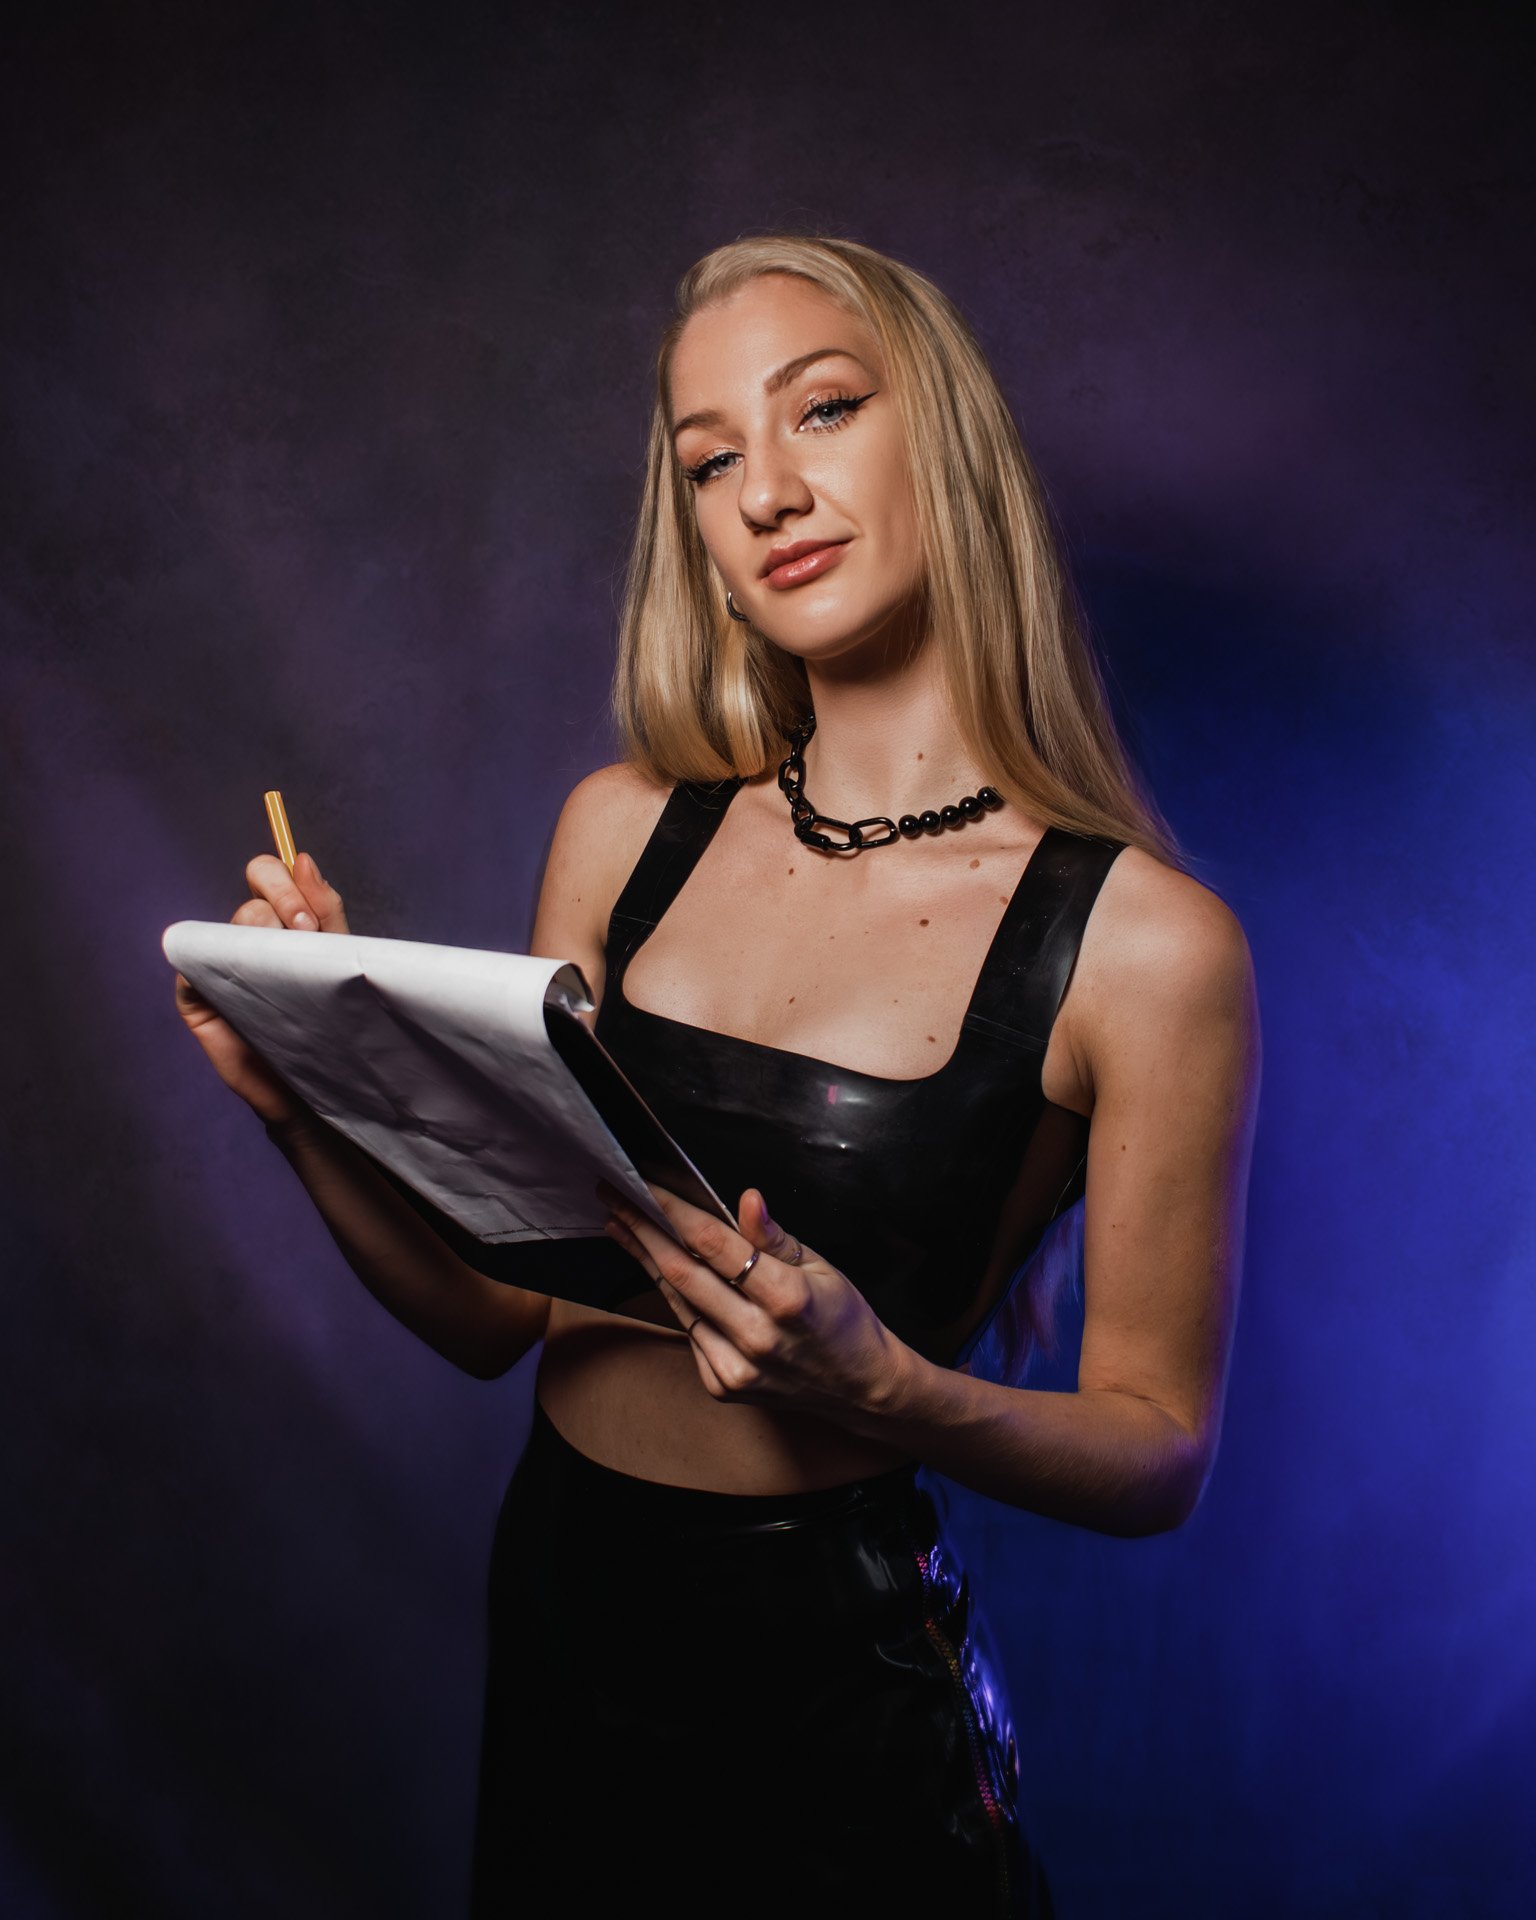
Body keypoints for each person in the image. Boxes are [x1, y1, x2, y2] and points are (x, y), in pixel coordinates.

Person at [174, 232, 1260, 1918]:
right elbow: (496, 1318)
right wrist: (305, 1100)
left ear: (945, 441)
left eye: (822, 410)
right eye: (708, 459)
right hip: (566, 1611)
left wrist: (886, 1391)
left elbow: (1158, 1451)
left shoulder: (1147, 947)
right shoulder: (623, 834)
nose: (766, 493)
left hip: (840, 1683)